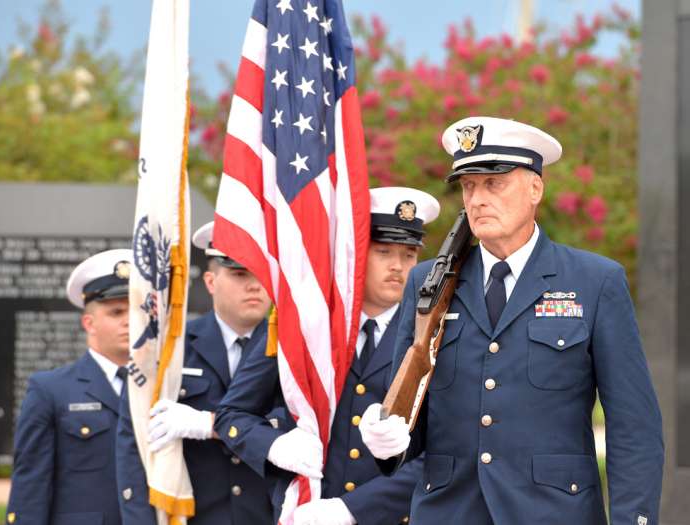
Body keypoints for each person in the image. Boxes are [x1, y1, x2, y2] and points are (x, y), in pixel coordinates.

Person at [359, 116, 664, 525]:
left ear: (535, 188)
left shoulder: (594, 282)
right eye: (468, 186)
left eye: (494, 183)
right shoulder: (428, 283)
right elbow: (411, 416)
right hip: (449, 513)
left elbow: (633, 425)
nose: (478, 199)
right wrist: (389, 441)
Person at [215, 187, 440, 525]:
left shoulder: (434, 335)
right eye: (383, 251)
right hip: (307, 511)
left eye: (409, 254)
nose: (398, 266)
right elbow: (232, 414)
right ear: (355, 254)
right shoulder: (305, 326)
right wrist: (275, 446)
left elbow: (442, 450)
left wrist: (353, 509)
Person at [116, 221, 275, 525]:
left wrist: (211, 424)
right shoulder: (171, 350)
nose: (255, 285)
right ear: (211, 282)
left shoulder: (294, 353)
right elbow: (134, 445)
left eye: (262, 275)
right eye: (240, 274)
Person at [5, 249, 132, 525]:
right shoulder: (51, 390)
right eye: (116, 312)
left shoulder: (164, 386)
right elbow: (31, 484)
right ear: (89, 323)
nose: (129, 320)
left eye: (137, 309)